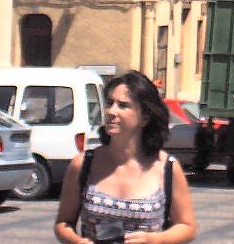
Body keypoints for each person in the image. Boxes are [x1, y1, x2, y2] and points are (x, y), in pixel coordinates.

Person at [55, 70, 196, 244]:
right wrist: (76, 241)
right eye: (109, 103)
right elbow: (63, 223)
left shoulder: (167, 168)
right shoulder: (83, 163)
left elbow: (187, 226)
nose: (111, 111)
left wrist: (155, 240)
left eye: (123, 105)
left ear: (144, 117)